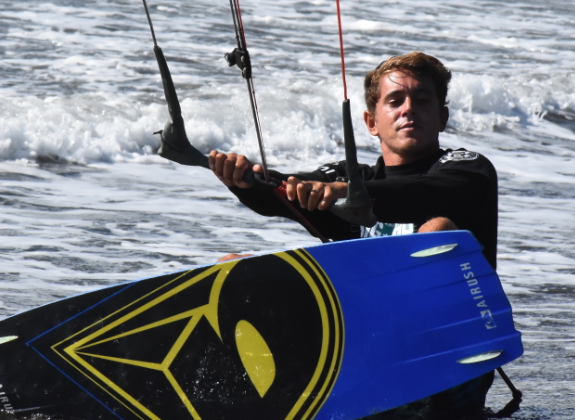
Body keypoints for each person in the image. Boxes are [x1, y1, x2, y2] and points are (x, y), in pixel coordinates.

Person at [208, 51, 498, 269]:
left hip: (448, 318)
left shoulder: (467, 166)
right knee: (231, 265)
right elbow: (285, 191)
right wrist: (242, 180)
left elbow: (424, 195)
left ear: (442, 117)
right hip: (361, 316)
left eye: (422, 100)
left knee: (437, 231)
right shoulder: (350, 175)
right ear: (372, 122)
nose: (408, 109)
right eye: (395, 101)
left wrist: (349, 193)